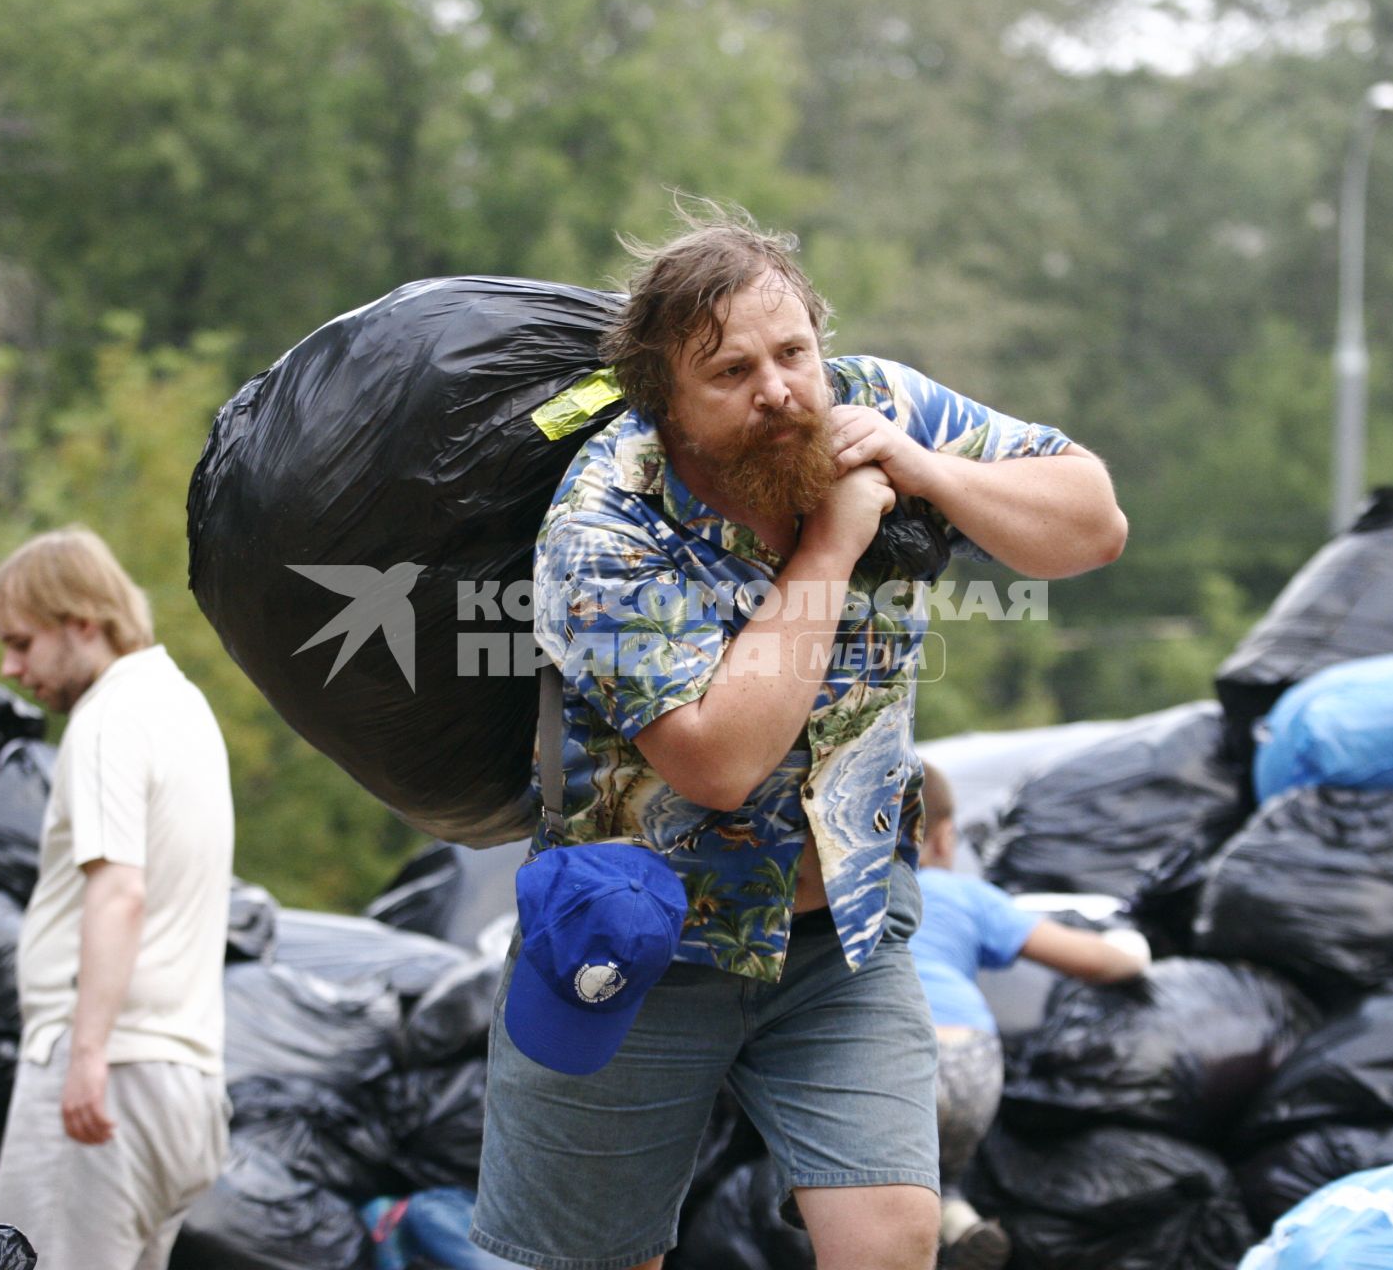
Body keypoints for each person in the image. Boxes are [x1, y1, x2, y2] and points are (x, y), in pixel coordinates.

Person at [470, 200, 1127, 1270]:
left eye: (793, 352)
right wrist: (835, 539)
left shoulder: (880, 406)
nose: (779, 391)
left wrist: (928, 469)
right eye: (731, 373)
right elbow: (722, 762)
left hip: (844, 935)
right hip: (638, 944)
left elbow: (1094, 522)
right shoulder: (605, 526)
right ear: (666, 403)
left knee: (894, 1238)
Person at [0, 526, 234, 1270]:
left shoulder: (106, 720)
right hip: (186, 1086)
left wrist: (86, 1055)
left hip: (107, 1079)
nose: (9, 667)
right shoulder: (183, 708)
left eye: (22, 643)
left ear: (81, 623)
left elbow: (119, 890)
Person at [912, 762, 1150, 1268]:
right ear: (942, 838)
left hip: (899, 1056)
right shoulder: (965, 895)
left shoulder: (846, 898)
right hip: (972, 1061)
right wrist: (1133, 949)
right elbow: (1095, 962)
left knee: (853, 1170)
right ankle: (956, 1217)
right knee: (938, 1165)